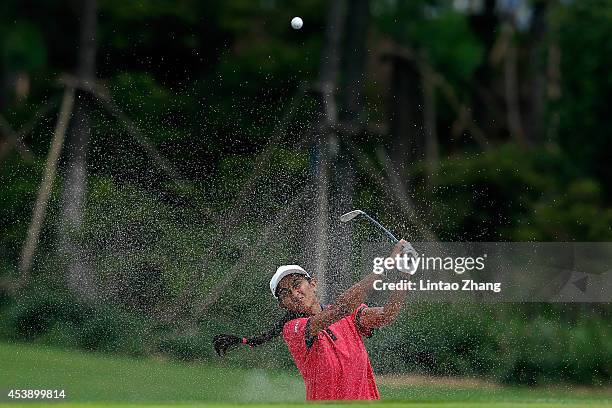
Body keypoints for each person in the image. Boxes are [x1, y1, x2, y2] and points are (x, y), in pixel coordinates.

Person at [213, 239, 411, 401]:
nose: (294, 293)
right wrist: (387, 265)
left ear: (313, 283)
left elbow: (387, 315)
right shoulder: (293, 329)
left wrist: (404, 273)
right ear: (283, 304)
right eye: (285, 293)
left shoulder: (351, 314)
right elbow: (342, 308)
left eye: (297, 284)